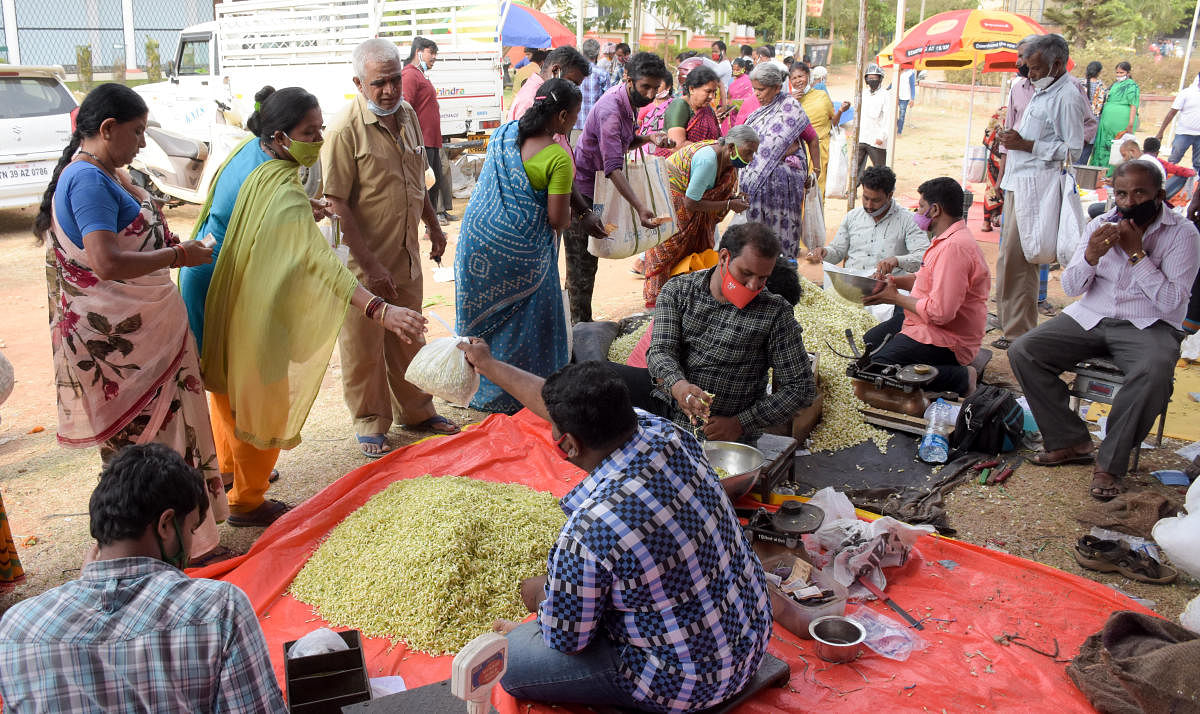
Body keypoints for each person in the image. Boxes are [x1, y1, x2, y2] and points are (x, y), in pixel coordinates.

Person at [454, 354, 772, 714]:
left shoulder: (590, 531)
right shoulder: (668, 433)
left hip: (687, 685)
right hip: (751, 641)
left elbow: (566, 640)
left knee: (510, 666)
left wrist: (545, 595)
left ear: (570, 445)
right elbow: (554, 401)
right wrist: (487, 363)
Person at [199, 86, 427, 526]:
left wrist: (305, 206)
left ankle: (227, 471)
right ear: (281, 136)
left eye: (321, 128)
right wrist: (380, 310)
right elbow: (323, 266)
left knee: (229, 383)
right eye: (310, 132)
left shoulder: (249, 154)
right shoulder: (283, 195)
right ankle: (247, 500)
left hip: (216, 284)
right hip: (252, 300)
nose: (319, 139)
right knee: (262, 392)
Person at [33, 83, 229, 562]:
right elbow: (105, 262)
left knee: (167, 438)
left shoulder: (109, 174)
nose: (143, 142)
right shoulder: (87, 181)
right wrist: (179, 255)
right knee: (147, 449)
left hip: (148, 337)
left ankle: (179, 540)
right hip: (124, 350)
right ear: (107, 129)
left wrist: (164, 246)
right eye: (138, 131)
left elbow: (131, 241)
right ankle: (156, 548)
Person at [0, 444, 286, 711]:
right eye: (190, 530)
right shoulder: (219, 608)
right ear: (166, 525)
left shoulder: (18, 628)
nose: (190, 545)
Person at [1010, 160, 1199, 500]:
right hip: (1092, 316)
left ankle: (1110, 465)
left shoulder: (1183, 234)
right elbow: (1070, 287)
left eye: (1140, 193)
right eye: (1122, 194)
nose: (1129, 202)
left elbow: (1172, 302)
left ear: (1159, 194)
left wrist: (1137, 255)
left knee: (1154, 371)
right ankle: (1071, 441)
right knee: (1024, 350)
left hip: (1149, 323)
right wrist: (1091, 257)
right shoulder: (1100, 223)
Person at [321, 39, 458, 459]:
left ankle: (416, 411)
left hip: (406, 254)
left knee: (409, 337)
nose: (389, 90)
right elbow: (336, 202)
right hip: (363, 265)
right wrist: (370, 263)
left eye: (395, 79)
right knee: (363, 348)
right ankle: (369, 421)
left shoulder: (408, 115)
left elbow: (417, 180)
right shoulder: (345, 128)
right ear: (359, 83)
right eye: (379, 82)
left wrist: (433, 227)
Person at [455, 80, 580, 413]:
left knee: (490, 327)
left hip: (477, 243)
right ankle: (522, 396)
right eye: (575, 117)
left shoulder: (503, 134)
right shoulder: (558, 158)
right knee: (531, 324)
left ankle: (479, 390)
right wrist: (572, 214)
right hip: (525, 257)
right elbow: (557, 219)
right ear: (564, 116)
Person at [994, 34, 1089, 348]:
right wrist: (1014, 141)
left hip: (1037, 188)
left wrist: (1027, 144)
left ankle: (1019, 333)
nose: (1029, 74)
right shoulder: (1041, 88)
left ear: (1057, 64)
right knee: (1009, 259)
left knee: (1022, 263)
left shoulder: (1068, 95)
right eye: (1028, 67)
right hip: (1018, 181)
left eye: (1035, 68)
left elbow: (1073, 149)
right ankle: (1010, 323)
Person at [566, 51, 675, 323]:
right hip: (582, 196)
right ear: (628, 79)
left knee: (586, 266)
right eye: (645, 87)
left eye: (655, 88)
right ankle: (578, 331)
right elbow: (613, 166)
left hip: (597, 190)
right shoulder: (612, 110)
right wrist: (640, 207)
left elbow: (621, 143)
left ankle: (579, 325)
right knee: (581, 269)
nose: (650, 94)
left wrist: (649, 137)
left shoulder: (627, 101)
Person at [862, 177, 990, 396]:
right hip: (921, 322)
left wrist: (895, 298)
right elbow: (923, 279)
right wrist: (892, 283)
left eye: (921, 206)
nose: (918, 212)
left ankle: (959, 377)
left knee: (877, 368)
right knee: (869, 345)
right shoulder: (944, 239)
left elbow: (940, 313)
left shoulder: (954, 248)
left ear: (935, 210)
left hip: (947, 339)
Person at [643, 125, 759, 308]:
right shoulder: (708, 161)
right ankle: (659, 304)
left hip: (694, 205)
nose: (750, 159)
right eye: (748, 152)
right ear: (730, 147)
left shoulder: (726, 161)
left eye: (753, 154)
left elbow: (713, 192)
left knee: (696, 254)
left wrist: (732, 199)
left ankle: (687, 298)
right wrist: (729, 204)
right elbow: (690, 202)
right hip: (673, 200)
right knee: (667, 251)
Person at [740, 63, 821, 260]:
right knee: (756, 240)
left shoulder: (791, 107)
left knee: (782, 239)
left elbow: (812, 138)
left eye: (762, 89)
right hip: (757, 192)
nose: (757, 94)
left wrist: (816, 170)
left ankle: (785, 273)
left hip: (785, 191)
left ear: (777, 87)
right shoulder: (753, 107)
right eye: (755, 89)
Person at [806, 166, 928, 275]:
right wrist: (824, 253)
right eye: (865, 198)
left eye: (876, 200)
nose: (869, 205)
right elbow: (838, 251)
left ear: (890, 196)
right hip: (851, 284)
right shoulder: (853, 217)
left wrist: (897, 261)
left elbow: (923, 258)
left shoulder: (909, 221)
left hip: (887, 289)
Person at [402, 37, 453, 225]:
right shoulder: (409, 75)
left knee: (434, 182)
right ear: (419, 52)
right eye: (431, 52)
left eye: (435, 53)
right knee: (427, 184)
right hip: (422, 141)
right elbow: (406, 109)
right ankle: (429, 226)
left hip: (431, 140)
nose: (434, 57)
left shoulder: (420, 74)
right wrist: (413, 141)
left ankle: (432, 226)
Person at [790, 61, 848, 196]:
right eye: (794, 78)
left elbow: (833, 122)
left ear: (808, 76)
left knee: (816, 193)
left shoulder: (821, 96)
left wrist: (840, 111)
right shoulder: (787, 101)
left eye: (801, 76)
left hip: (820, 153)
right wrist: (791, 103)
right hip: (796, 154)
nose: (798, 81)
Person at [507, 45, 590, 122]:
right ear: (556, 71)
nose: (573, 90)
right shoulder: (531, 100)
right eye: (572, 83)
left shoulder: (549, 95)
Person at [658, 65, 722, 157]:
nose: (712, 96)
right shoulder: (680, 106)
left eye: (714, 92)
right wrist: (711, 150)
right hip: (679, 166)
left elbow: (718, 139)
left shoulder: (708, 109)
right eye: (708, 91)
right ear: (691, 89)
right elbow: (677, 145)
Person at [1090, 61, 1140, 170]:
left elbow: (1133, 105)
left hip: (1122, 121)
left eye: (1121, 72)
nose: (1119, 75)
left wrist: (1130, 124)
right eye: (1117, 72)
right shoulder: (1115, 85)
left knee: (1118, 147)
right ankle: (1100, 171)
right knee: (1103, 146)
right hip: (1107, 121)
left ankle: (1113, 173)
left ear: (1128, 72)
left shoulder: (1132, 86)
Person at [1156, 70, 1200, 178]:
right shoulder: (1187, 93)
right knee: (1173, 160)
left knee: (1198, 163)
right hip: (1184, 133)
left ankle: (1195, 189)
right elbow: (1172, 113)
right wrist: (1161, 132)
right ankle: (1165, 182)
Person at [855, 63, 890, 185]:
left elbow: (888, 118)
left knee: (880, 168)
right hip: (862, 136)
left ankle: (884, 188)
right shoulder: (863, 93)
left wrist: (882, 136)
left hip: (876, 138)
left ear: (880, 79)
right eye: (870, 78)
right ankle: (853, 187)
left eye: (875, 78)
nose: (872, 80)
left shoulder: (885, 95)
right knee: (856, 166)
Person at [572, 39, 609, 144]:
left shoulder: (573, 72)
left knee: (576, 159)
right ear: (597, 53)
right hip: (596, 127)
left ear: (583, 52)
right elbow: (608, 103)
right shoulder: (602, 74)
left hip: (576, 125)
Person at [1142, 135, 1196, 199]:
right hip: (1155, 195)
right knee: (1183, 175)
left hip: (1139, 191)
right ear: (1157, 152)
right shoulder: (1160, 162)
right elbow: (1181, 171)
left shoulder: (1137, 159)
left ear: (1143, 150)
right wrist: (1193, 172)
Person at [981, 106, 1007, 232]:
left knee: (991, 187)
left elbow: (989, 132)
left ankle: (987, 221)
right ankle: (997, 219)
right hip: (1008, 156)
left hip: (997, 155)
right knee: (1003, 188)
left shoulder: (1001, 111)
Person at [1080, 61, 1106, 164]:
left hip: (1079, 118)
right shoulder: (1102, 86)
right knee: (1086, 151)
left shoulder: (1079, 83)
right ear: (1099, 72)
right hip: (1094, 120)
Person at [727, 57, 755, 127]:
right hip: (733, 112)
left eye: (738, 69)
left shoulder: (748, 80)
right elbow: (729, 95)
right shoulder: (731, 80)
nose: (735, 71)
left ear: (743, 68)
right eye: (734, 69)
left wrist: (736, 102)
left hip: (745, 112)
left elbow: (750, 97)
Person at [897, 66, 917, 134]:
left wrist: (912, 99)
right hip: (896, 96)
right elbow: (893, 83)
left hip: (904, 98)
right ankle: (897, 123)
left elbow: (912, 87)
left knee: (902, 115)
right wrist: (887, 90)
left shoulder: (911, 73)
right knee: (890, 113)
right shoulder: (897, 70)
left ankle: (899, 132)